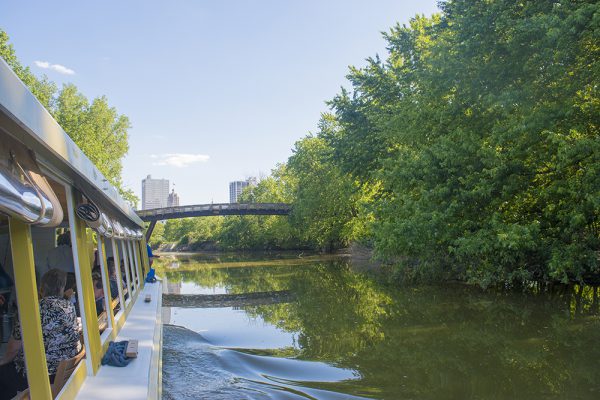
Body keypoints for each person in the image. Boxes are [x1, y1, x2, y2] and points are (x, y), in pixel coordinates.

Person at [0, 269, 81, 399]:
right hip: (63, 371)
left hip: (39, 375)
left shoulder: (32, 309)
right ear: (61, 288)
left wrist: (2, 361)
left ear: (41, 289)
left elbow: (12, 350)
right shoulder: (69, 306)